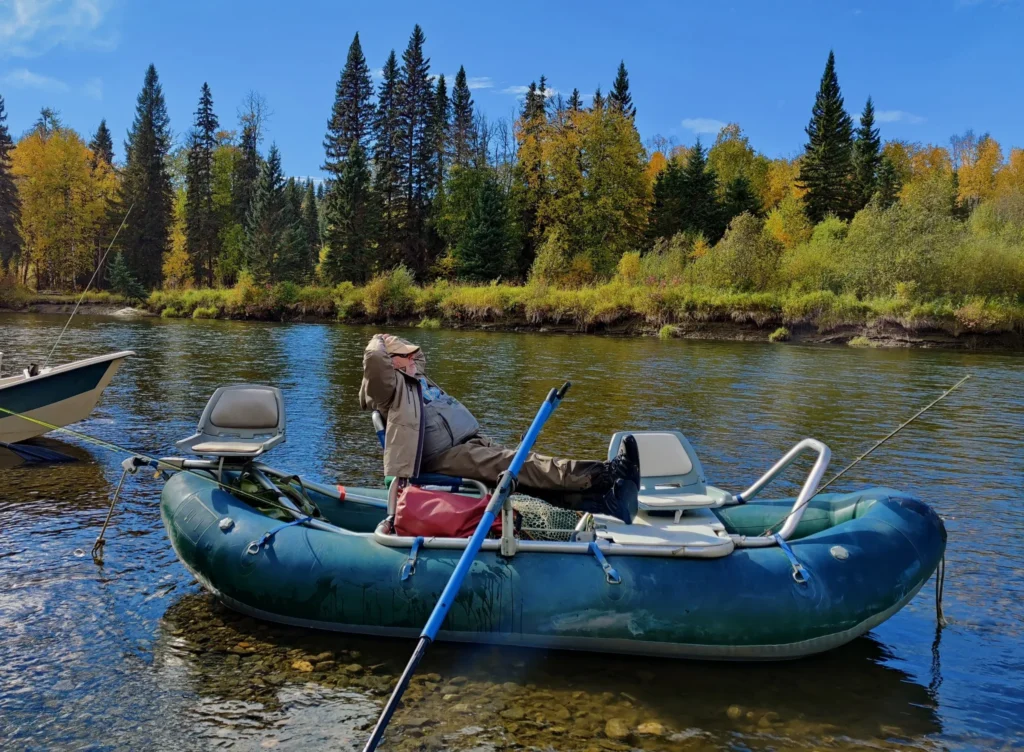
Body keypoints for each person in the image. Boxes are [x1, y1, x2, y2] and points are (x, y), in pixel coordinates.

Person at [358, 333, 640, 524]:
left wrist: (402, 349)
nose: (412, 359)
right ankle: (606, 474)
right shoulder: (389, 390)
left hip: (470, 443)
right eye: (404, 356)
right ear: (391, 362)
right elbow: (374, 361)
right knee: (520, 464)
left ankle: (607, 501)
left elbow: (418, 357)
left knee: (525, 479)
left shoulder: (416, 376)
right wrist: (379, 340)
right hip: (442, 457)